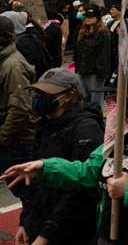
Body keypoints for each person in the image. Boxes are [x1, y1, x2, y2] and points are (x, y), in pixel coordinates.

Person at [1, 65, 128, 245]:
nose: (109, 102)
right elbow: (90, 170)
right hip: (113, 233)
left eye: (114, 96)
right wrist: (46, 167)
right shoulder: (121, 130)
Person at [17, 68, 103, 245]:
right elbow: (33, 183)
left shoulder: (86, 129)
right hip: (41, 222)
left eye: (47, 93)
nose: (39, 98)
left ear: (70, 96)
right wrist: (24, 221)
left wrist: (46, 235)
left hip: (70, 231)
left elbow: (79, 191)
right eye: (38, 92)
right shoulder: (45, 125)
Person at [0, 16, 36, 198]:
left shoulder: (12, 66)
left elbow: (20, 108)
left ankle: (29, 225)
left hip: (18, 139)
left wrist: (3, 136)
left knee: (22, 188)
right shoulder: (5, 61)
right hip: (12, 137)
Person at [73, 5, 111, 109]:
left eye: (91, 16)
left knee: (95, 102)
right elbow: (78, 52)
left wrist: (101, 74)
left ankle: (96, 122)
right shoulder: (82, 32)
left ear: (97, 18)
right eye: (86, 17)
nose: (87, 19)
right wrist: (77, 67)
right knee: (83, 100)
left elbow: (104, 55)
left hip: (95, 73)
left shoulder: (103, 33)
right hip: (82, 71)